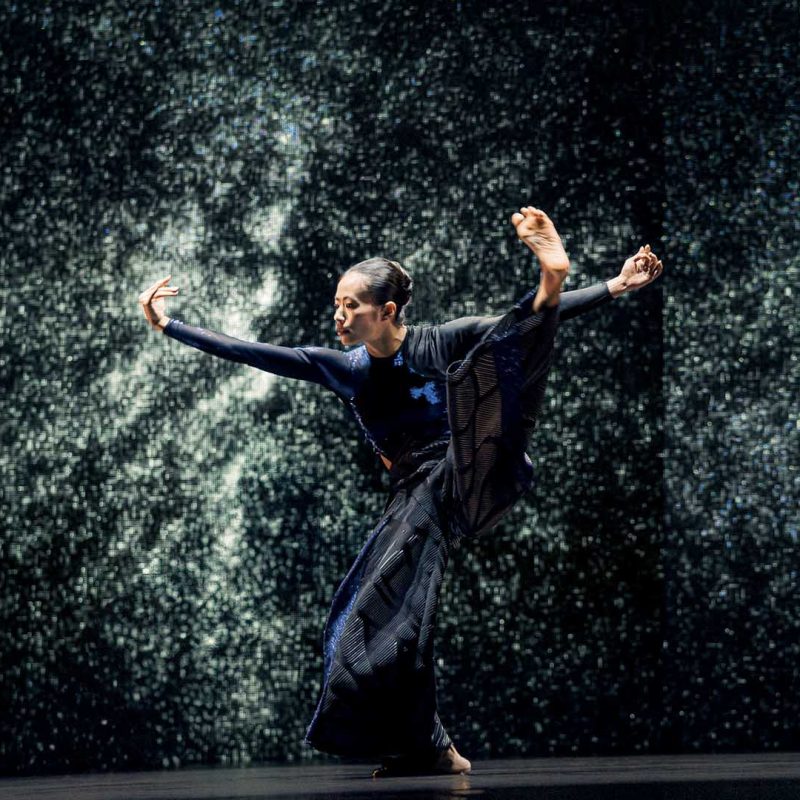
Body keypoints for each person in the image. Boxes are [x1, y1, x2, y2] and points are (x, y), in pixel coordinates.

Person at [138, 207, 662, 776]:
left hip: (461, 470)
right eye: (337, 304)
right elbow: (254, 352)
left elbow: (528, 324)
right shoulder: (346, 367)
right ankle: (425, 745)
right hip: (411, 495)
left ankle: (549, 273)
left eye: (352, 306)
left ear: (387, 311)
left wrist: (607, 284)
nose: (339, 316)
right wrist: (170, 326)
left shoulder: (442, 342)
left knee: (509, 340)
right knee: (367, 621)